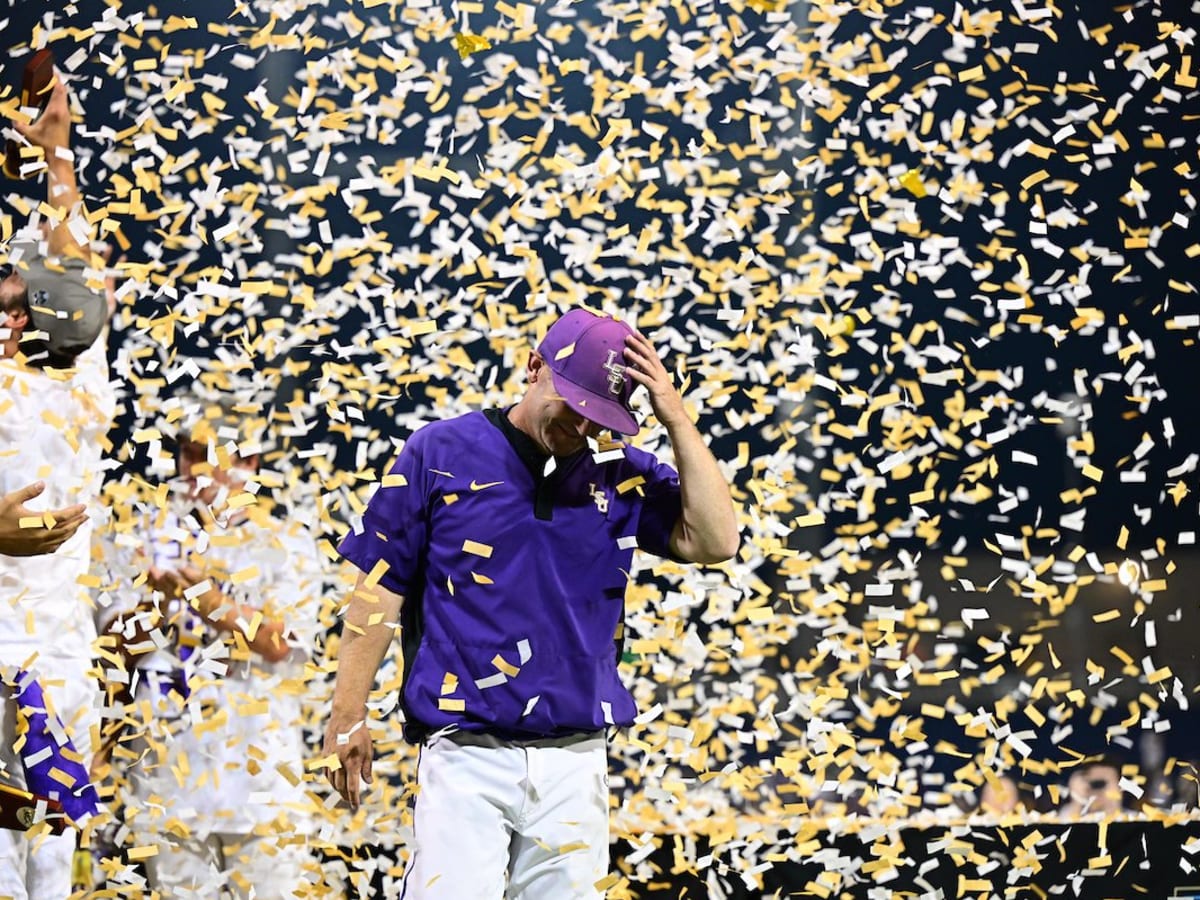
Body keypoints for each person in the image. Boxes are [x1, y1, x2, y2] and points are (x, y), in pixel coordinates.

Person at [322, 308, 739, 898]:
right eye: (574, 405)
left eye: (601, 415)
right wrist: (348, 714)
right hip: (465, 749)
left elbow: (718, 541)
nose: (584, 427)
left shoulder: (618, 470)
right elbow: (378, 590)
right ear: (534, 366)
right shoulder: (437, 451)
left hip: (576, 757)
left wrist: (675, 416)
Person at [94, 394, 325, 899]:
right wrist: (156, 601)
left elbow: (279, 642)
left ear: (248, 463)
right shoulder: (140, 534)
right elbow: (110, 651)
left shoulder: (287, 541)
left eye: (209, 454)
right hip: (167, 791)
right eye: (188, 453)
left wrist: (201, 594)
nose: (194, 468)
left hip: (262, 790)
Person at [0, 73, 114, 900]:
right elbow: (78, 275)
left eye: (14, 303)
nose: (4, 314)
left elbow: (79, 273)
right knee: (23, 866)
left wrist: (61, 155)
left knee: (31, 869)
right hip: (29, 662)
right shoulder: (76, 385)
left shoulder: (43, 395)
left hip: (35, 660)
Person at [1060, 757, 1126, 817]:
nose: (1098, 791)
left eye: (1103, 783)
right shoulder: (1064, 815)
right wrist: (1077, 800)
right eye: (1094, 784)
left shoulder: (1133, 818)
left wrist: (1114, 804)